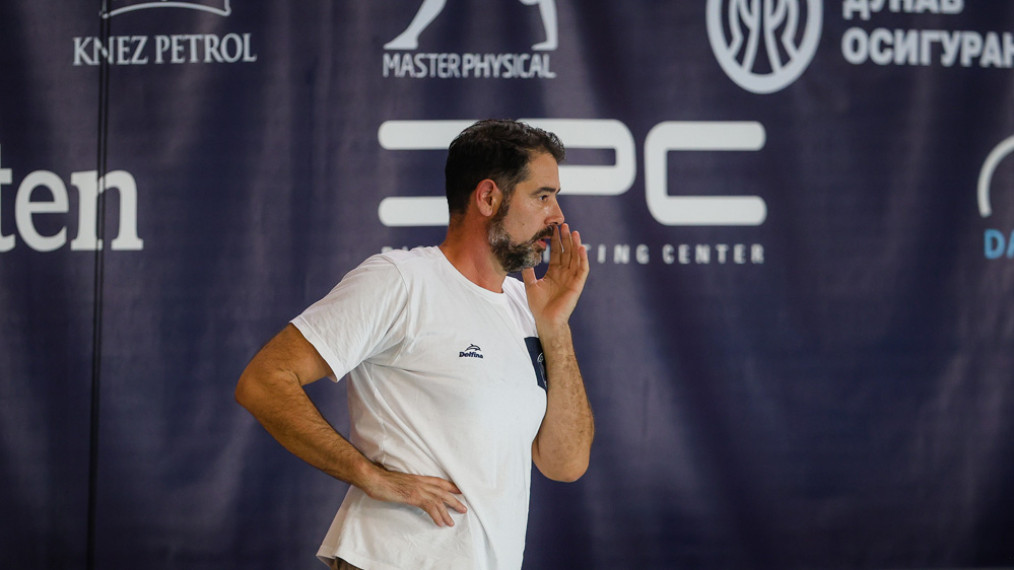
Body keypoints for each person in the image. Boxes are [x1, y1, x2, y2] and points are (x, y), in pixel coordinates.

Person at [235, 119, 594, 570]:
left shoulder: (529, 307)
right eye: (543, 196)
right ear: (488, 198)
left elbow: (566, 464)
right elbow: (264, 380)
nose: (557, 215)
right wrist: (369, 475)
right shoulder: (401, 280)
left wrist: (556, 328)